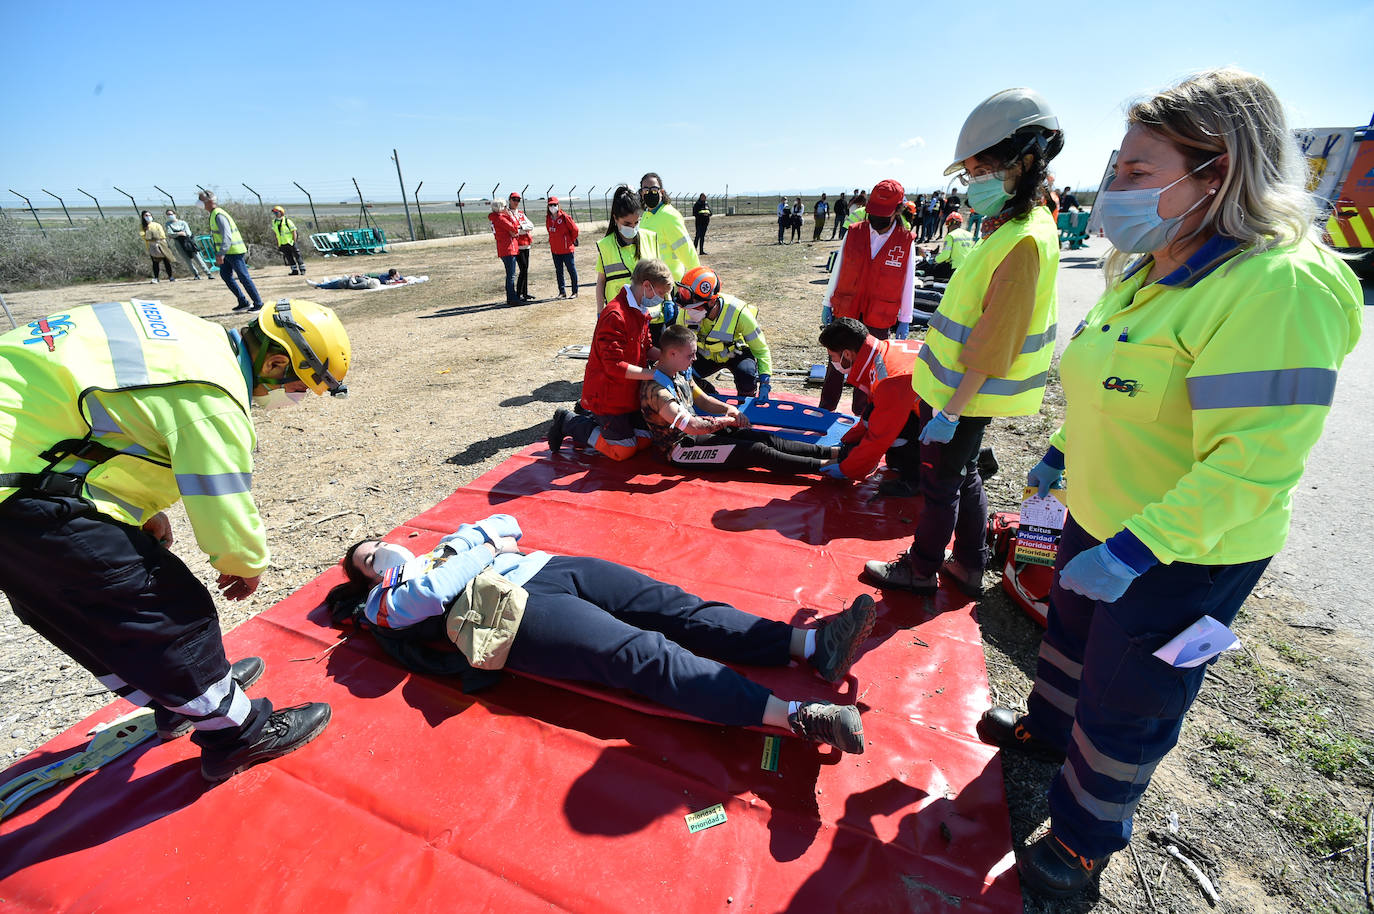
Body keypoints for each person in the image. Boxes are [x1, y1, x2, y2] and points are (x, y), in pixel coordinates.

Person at [976, 68, 1364, 900]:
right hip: (1099, 518)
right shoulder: (1154, 268)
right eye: (1115, 167)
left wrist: (1136, 550)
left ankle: (1082, 845)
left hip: (1180, 555)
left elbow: (1251, 464)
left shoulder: (1276, 288)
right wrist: (1060, 458)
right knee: (1070, 648)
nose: (1111, 187)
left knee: (1132, 699)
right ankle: (1047, 735)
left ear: (1216, 172)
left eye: (1137, 172)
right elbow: (1115, 391)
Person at [0, 298, 351, 783]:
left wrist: (140, 511)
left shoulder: (180, 334)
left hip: (19, 480)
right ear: (273, 362)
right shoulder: (212, 393)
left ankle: (178, 702)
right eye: (292, 389)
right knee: (164, 608)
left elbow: (103, 423)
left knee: (75, 609)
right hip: (23, 499)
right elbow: (218, 493)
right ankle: (238, 733)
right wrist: (243, 561)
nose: (284, 400)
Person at [325, 514, 876, 754]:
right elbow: (429, 596)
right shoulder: (382, 603)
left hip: (550, 568)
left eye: (375, 544)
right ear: (366, 576)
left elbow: (505, 526)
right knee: (642, 654)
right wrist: (480, 551)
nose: (379, 555)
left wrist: (474, 549)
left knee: (676, 608)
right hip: (513, 617)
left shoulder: (436, 551)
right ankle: (798, 717)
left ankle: (811, 646)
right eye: (368, 560)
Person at [864, 85, 1063, 605]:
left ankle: (922, 567)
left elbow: (994, 344)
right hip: (957, 391)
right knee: (965, 475)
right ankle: (970, 564)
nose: (973, 184)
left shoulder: (1023, 242)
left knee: (940, 486)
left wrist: (950, 411)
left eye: (980, 171)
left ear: (1023, 163)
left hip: (962, 395)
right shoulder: (1015, 227)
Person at [642, 325, 839, 475]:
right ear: (672, 353)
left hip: (696, 434)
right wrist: (724, 421)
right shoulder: (657, 390)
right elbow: (692, 427)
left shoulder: (681, 371)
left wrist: (729, 410)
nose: (694, 359)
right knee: (756, 451)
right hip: (679, 449)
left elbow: (702, 400)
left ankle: (830, 452)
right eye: (690, 355)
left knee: (763, 438)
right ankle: (823, 466)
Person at [550, 258, 672, 461]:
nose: (662, 299)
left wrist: (671, 359)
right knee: (623, 451)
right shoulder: (616, 315)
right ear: (647, 286)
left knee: (647, 438)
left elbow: (647, 347)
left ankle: (595, 421)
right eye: (660, 293)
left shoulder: (640, 309)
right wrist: (655, 373)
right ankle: (569, 421)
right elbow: (614, 366)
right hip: (607, 396)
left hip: (627, 393)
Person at [818, 179, 917, 414]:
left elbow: (908, 282)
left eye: (883, 214)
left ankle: (861, 416)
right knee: (835, 363)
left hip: (879, 314)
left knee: (871, 365)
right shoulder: (854, 233)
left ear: (898, 210)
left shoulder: (905, 242)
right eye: (874, 213)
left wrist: (906, 317)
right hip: (847, 309)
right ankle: (825, 410)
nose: (876, 221)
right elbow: (839, 268)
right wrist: (826, 302)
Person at [817, 318, 923, 496]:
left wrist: (848, 469)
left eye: (833, 357)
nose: (833, 362)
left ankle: (918, 478)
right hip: (943, 409)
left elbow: (879, 436)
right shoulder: (884, 349)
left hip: (951, 421)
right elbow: (873, 408)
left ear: (847, 354)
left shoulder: (890, 378)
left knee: (896, 435)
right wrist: (848, 440)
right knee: (874, 415)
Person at [672, 266, 773, 400]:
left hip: (735, 353)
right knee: (682, 374)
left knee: (747, 375)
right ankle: (706, 390)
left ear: (712, 301)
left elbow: (761, 350)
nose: (689, 311)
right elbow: (677, 346)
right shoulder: (685, 313)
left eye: (695, 307)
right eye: (687, 307)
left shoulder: (739, 313)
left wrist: (765, 382)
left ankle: (745, 402)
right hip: (704, 356)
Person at [595, 186, 662, 315]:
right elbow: (601, 282)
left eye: (636, 222)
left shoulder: (650, 238)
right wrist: (600, 311)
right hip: (620, 318)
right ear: (615, 218)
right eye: (627, 224)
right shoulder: (606, 246)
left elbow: (660, 276)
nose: (632, 227)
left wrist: (667, 299)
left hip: (651, 316)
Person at [199, 190, 265, 313]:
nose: (199, 202)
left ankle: (258, 303)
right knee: (225, 275)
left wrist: (221, 253)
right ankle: (243, 302)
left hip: (233, 251)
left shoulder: (219, 214)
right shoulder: (214, 214)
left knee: (243, 277)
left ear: (211, 201)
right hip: (227, 252)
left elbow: (227, 236)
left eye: (201, 199)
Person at [638, 174, 700, 282]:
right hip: (652, 283)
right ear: (641, 193)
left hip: (669, 282)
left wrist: (698, 278)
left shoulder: (669, 215)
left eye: (654, 189)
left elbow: (686, 250)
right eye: (646, 190)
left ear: (661, 192)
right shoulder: (646, 216)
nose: (650, 192)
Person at [546, 196, 580, 299]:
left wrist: (570, 241)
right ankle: (562, 292)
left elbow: (575, 230)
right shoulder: (548, 218)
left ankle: (575, 291)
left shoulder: (565, 217)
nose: (552, 207)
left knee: (571, 270)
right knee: (559, 271)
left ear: (558, 205)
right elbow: (549, 231)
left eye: (554, 205)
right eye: (550, 205)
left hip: (567, 249)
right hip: (555, 250)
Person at [489, 200, 521, 306]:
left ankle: (511, 297)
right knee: (511, 275)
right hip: (508, 248)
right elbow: (515, 228)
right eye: (505, 206)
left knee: (510, 274)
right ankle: (512, 298)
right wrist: (510, 216)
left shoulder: (494, 219)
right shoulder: (500, 218)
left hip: (503, 247)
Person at [928, 212, 976, 281]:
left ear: (950, 224)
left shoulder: (951, 235)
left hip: (955, 268)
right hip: (968, 267)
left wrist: (934, 260)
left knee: (930, 270)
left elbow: (945, 255)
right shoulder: (969, 235)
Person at [164, 209, 210, 279]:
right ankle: (196, 274)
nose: (170, 216)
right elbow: (170, 234)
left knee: (198, 258)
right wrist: (179, 233)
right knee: (187, 260)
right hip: (178, 243)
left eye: (171, 214)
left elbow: (188, 233)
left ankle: (208, 273)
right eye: (168, 215)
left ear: (175, 214)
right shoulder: (168, 224)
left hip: (189, 242)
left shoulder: (183, 223)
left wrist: (178, 234)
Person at [510, 192, 536, 301]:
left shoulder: (520, 213)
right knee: (523, 268)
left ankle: (525, 293)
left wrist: (521, 226)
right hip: (517, 245)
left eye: (518, 200)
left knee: (525, 269)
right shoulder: (508, 214)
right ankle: (519, 293)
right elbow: (514, 229)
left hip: (526, 245)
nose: (516, 202)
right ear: (510, 200)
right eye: (514, 199)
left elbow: (531, 225)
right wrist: (523, 228)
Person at [140, 211, 176, 283]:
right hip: (151, 246)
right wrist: (151, 236)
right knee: (155, 262)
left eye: (149, 215)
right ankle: (156, 278)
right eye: (146, 215)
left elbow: (162, 235)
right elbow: (143, 236)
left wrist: (151, 235)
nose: (148, 217)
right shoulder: (142, 226)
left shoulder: (157, 224)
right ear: (143, 217)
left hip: (161, 244)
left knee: (166, 261)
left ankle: (170, 276)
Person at [270, 205, 307, 276]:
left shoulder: (287, 221)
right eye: (274, 213)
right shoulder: (274, 222)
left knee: (297, 256)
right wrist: (278, 243)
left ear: (281, 213)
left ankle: (302, 270)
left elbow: (294, 231)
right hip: (282, 243)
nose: (275, 214)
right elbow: (276, 233)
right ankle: (294, 270)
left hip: (291, 242)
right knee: (289, 257)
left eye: (277, 213)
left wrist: (294, 241)